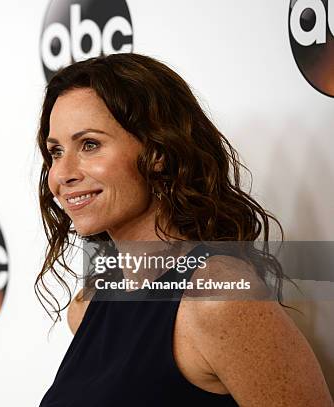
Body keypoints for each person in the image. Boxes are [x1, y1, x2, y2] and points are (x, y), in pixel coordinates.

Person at [35, 53, 333, 406]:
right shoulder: (87, 304)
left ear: (158, 151)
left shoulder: (217, 299)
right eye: (55, 152)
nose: (62, 173)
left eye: (89, 145)